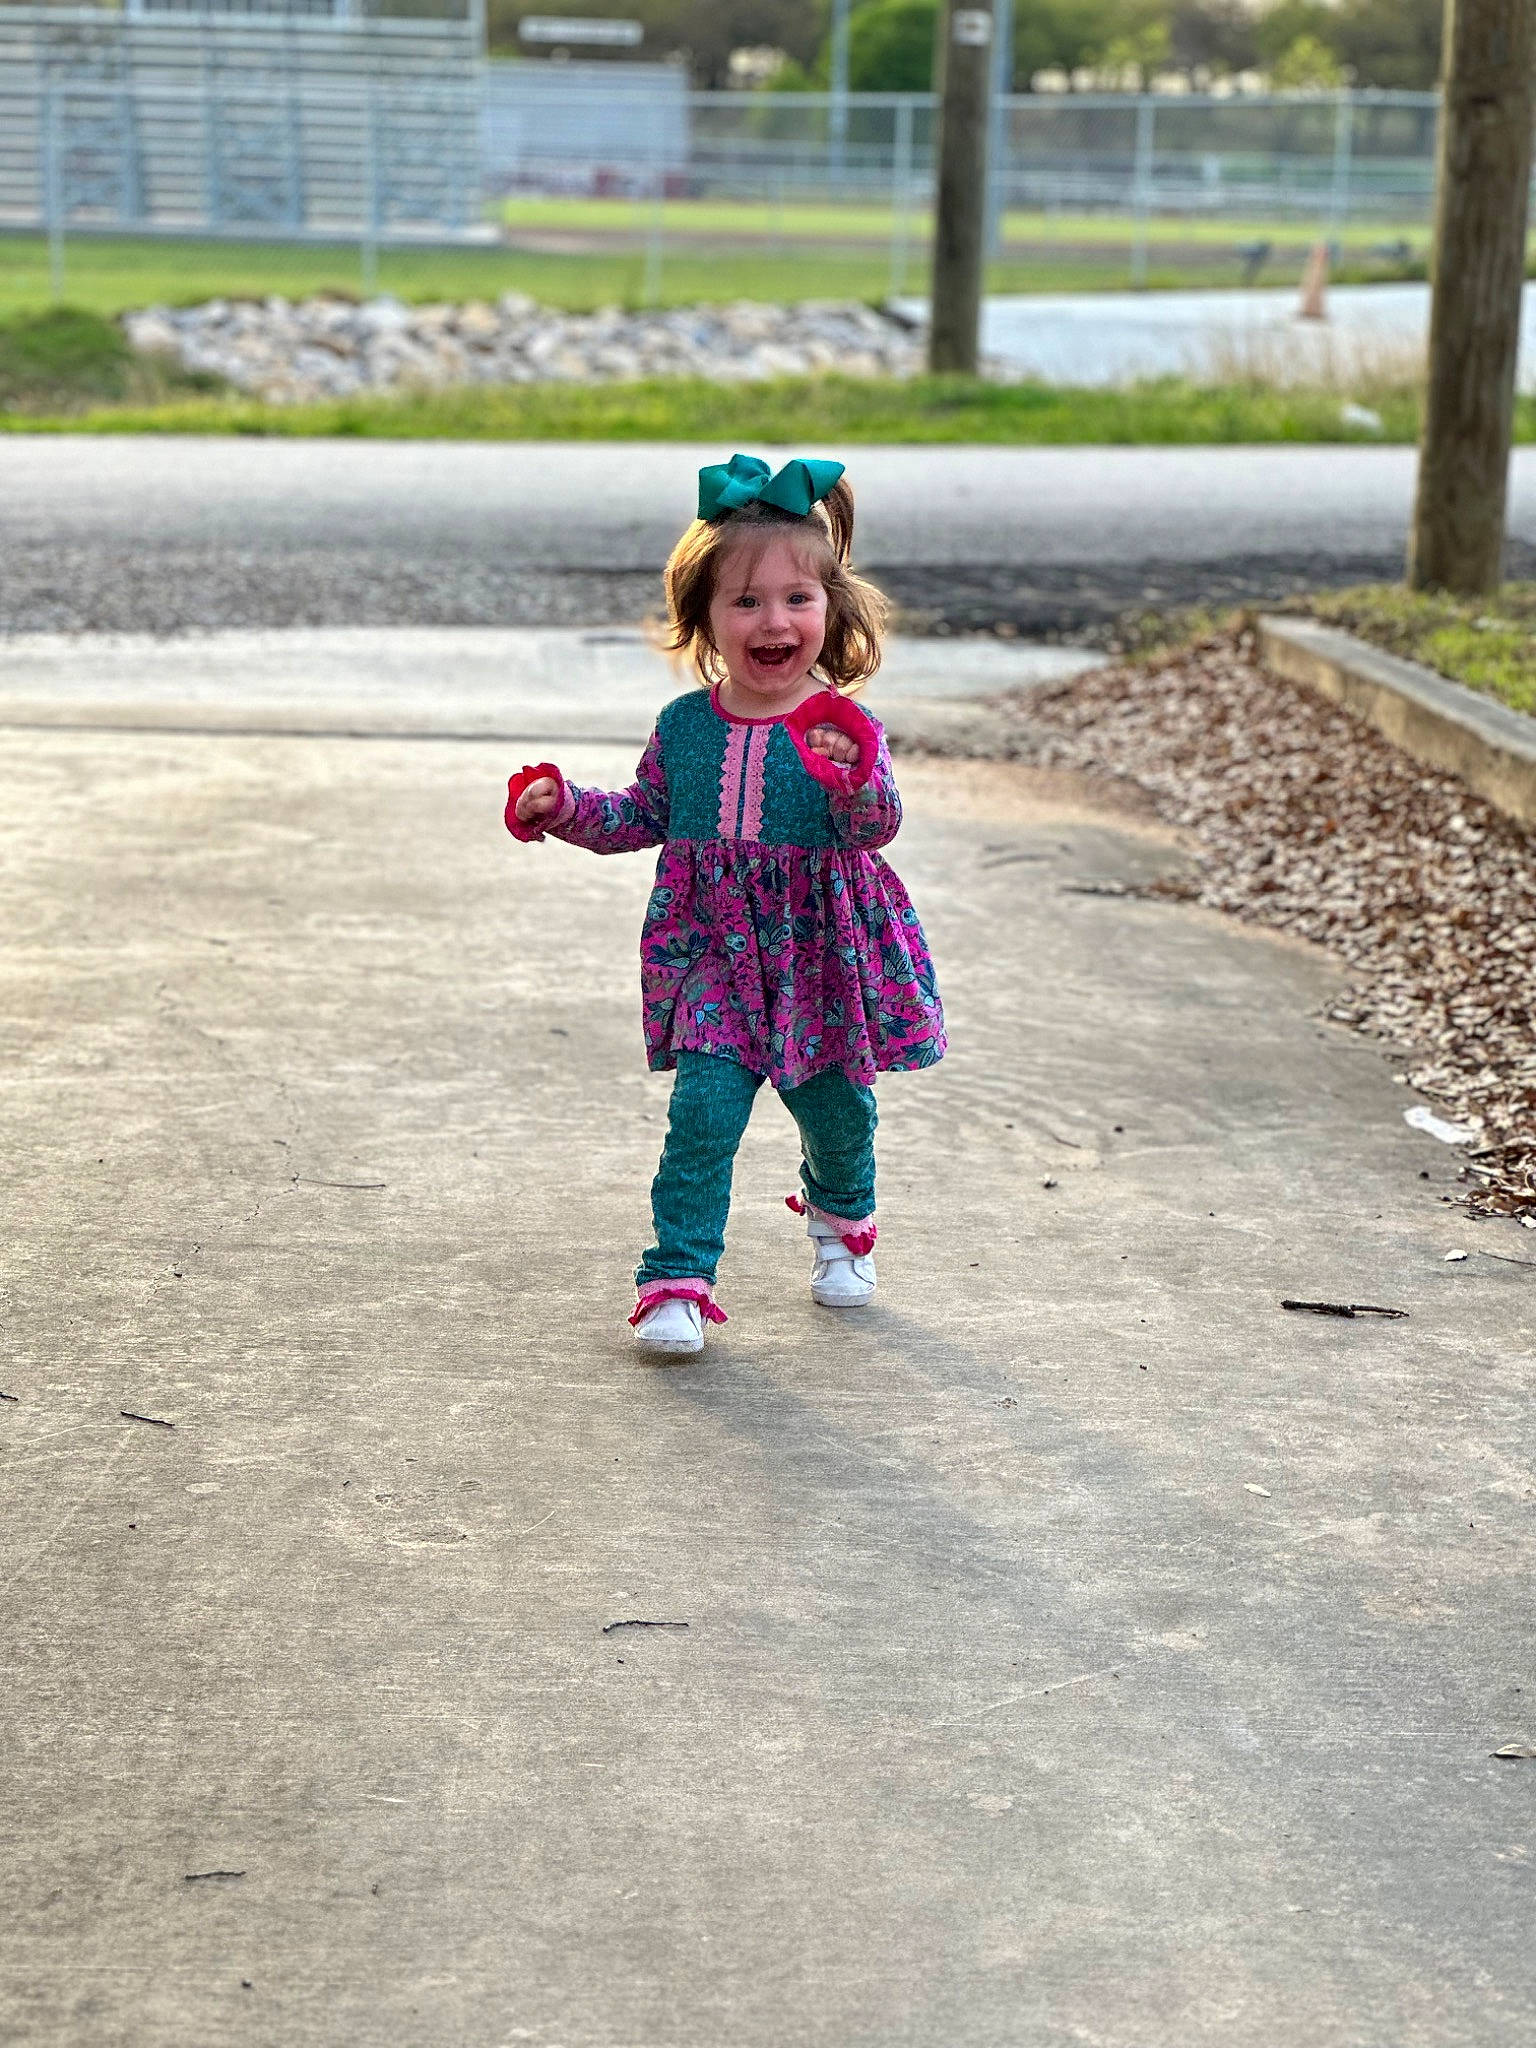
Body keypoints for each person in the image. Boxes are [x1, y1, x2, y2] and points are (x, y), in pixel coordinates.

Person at [504, 453, 945, 1358]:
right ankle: (677, 1277)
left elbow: (876, 827)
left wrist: (850, 774)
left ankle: (842, 1220)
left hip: (821, 955)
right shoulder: (685, 728)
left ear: (833, 611)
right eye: (745, 602)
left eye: (796, 599)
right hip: (716, 953)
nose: (773, 619)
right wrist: (567, 809)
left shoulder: (843, 725)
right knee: (703, 1114)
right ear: (703, 618)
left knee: (836, 1111)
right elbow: (645, 817)